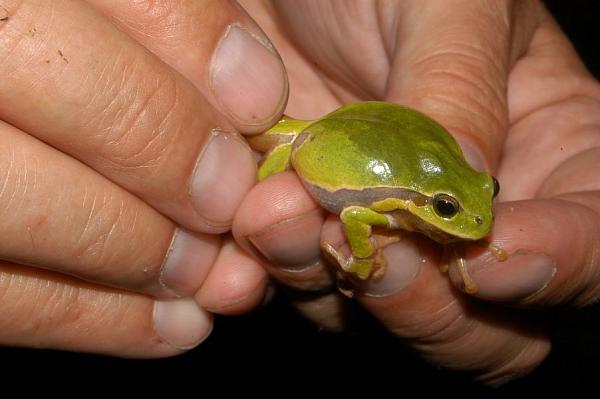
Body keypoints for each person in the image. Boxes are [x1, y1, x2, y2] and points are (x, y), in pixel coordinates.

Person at [0, 0, 598, 385]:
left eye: (485, 193)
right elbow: (359, 214)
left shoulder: (432, 201)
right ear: (423, 202)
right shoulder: (395, 203)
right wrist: (361, 253)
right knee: (257, 210)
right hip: (311, 143)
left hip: (337, 125)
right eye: (447, 209)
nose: (479, 218)